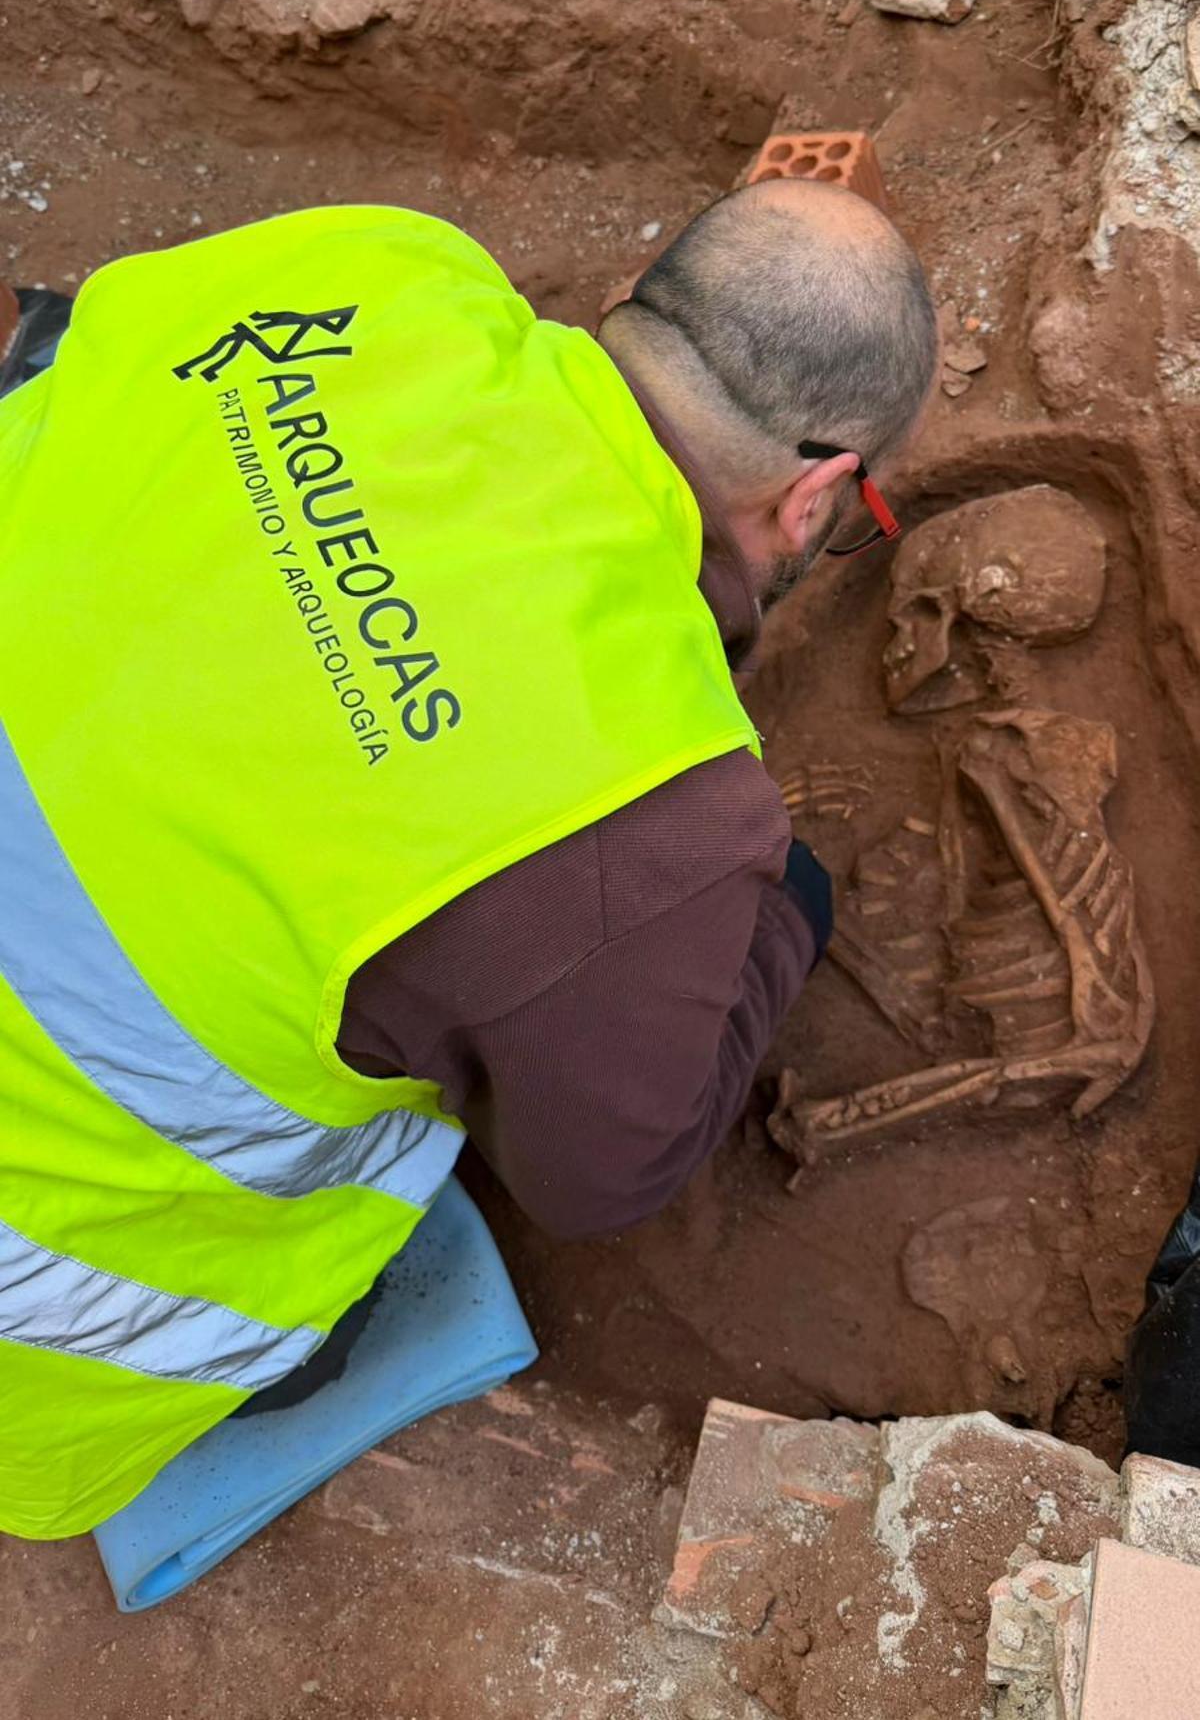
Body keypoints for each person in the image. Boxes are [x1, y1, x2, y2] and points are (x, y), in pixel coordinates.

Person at [0, 181, 936, 1537]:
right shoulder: (653, 810)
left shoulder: (381, 260)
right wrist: (786, 907)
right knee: (354, 1224)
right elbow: (602, 1176)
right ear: (819, 498)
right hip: (38, 1286)